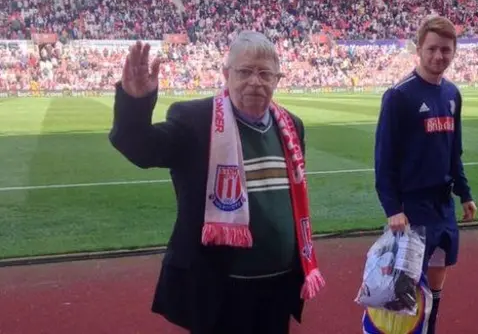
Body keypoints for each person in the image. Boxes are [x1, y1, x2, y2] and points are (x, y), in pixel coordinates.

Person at [108, 30, 325, 334]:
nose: (255, 81)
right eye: (245, 71)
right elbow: (140, 146)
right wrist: (136, 102)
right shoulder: (195, 120)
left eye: (265, 73)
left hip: (278, 289)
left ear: (278, 78)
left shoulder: (291, 126)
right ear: (226, 74)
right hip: (220, 291)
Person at [373, 16, 478, 334]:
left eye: (446, 50)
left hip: (443, 207)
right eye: (432, 48)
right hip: (412, 211)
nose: (439, 56)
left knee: (435, 290)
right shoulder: (398, 96)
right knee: (404, 295)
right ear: (418, 49)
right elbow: (384, 158)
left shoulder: (452, 94)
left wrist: (465, 193)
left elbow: (453, 151)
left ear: (454, 51)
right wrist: (393, 208)